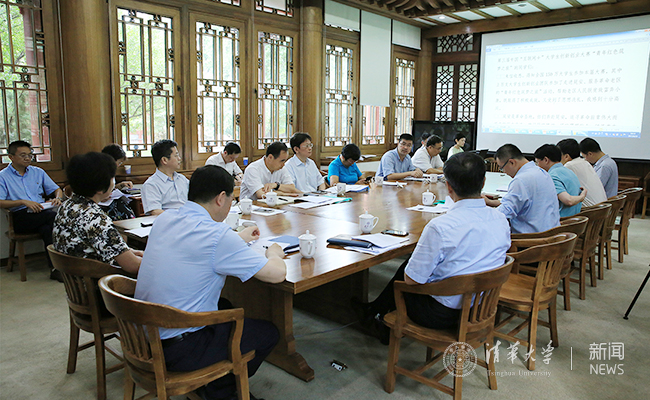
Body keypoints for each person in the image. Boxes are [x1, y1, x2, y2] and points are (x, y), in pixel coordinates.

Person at [134, 165, 286, 400]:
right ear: (221, 198)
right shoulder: (217, 235)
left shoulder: (165, 219)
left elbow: (199, 246)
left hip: (142, 335)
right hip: (179, 350)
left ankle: (215, 386)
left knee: (225, 305)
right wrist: (274, 253)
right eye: (232, 200)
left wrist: (237, 238)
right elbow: (276, 274)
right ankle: (222, 392)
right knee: (268, 333)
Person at [352, 153, 510, 344]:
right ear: (483, 182)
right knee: (410, 267)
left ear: (448, 187)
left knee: (404, 276)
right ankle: (373, 312)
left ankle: (379, 319)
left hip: (441, 315)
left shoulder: (440, 226)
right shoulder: (500, 218)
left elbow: (411, 280)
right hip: (482, 307)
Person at [53, 152, 142, 274]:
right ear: (100, 188)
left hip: (78, 277)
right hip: (103, 280)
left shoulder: (67, 206)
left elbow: (114, 247)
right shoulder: (95, 219)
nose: (114, 182)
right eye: (112, 177)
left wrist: (135, 252)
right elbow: (133, 266)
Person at [0, 140, 64, 281]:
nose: (28, 158)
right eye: (23, 155)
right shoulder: (3, 176)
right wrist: (23, 202)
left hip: (41, 212)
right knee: (54, 218)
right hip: (20, 217)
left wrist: (57, 198)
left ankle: (55, 269)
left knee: (48, 229)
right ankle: (67, 261)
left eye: (30, 155)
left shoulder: (38, 172)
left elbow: (56, 189)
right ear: (11, 157)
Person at [484, 144, 560, 234]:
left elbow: (505, 212)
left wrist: (481, 214)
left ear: (512, 162)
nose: (504, 172)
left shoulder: (521, 180)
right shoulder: (542, 172)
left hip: (530, 238)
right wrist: (491, 202)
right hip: (552, 235)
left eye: (502, 168)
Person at [534, 144, 586, 218]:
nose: (537, 166)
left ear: (546, 160)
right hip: (574, 220)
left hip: (561, 221)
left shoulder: (552, 176)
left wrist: (582, 197)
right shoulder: (569, 172)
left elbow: (568, 201)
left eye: (537, 162)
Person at [141, 139, 189, 215]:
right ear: (164, 160)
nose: (179, 158)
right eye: (176, 155)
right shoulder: (151, 185)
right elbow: (155, 212)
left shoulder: (182, 179)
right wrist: (179, 217)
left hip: (189, 218)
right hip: (169, 221)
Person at [556, 138, 607, 207]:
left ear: (566, 156)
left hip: (590, 210)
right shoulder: (585, 162)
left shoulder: (569, 166)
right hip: (603, 207)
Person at [100, 144, 136, 220]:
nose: (118, 166)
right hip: (102, 205)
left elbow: (109, 188)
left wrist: (121, 185)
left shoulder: (110, 172)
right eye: (119, 163)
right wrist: (101, 197)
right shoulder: (97, 173)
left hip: (111, 201)